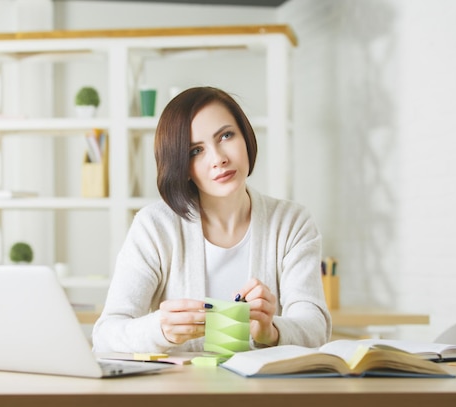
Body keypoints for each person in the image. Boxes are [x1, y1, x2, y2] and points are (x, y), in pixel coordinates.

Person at [92, 86, 331, 353]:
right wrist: (161, 329)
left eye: (226, 135)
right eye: (196, 151)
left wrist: (271, 331)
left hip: (266, 392)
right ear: (181, 166)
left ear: (246, 136)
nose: (219, 159)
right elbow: (105, 335)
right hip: (180, 392)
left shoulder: (291, 223)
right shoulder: (154, 226)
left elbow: (315, 327)